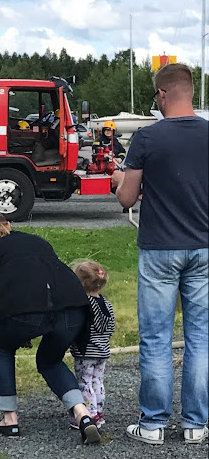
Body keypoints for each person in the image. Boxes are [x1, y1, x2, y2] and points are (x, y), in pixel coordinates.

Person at [111, 62, 208, 445]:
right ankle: (196, 424)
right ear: (191, 92)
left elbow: (126, 197)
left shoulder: (147, 139)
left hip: (159, 250)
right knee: (200, 336)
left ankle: (153, 424)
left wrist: (121, 179)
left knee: (156, 337)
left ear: (163, 94)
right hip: (203, 248)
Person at [0, 210, 101, 444]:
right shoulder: (36, 240)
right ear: (8, 224)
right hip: (73, 306)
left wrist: (4, 325)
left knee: (1, 348)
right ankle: (83, 415)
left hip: (22, 309)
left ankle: (9, 420)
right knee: (50, 361)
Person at [68, 260, 115, 430]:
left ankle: (89, 414)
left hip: (85, 351)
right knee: (98, 381)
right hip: (102, 350)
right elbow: (111, 327)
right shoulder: (106, 304)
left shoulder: (83, 304)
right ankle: (99, 412)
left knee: (84, 382)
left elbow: (77, 326)